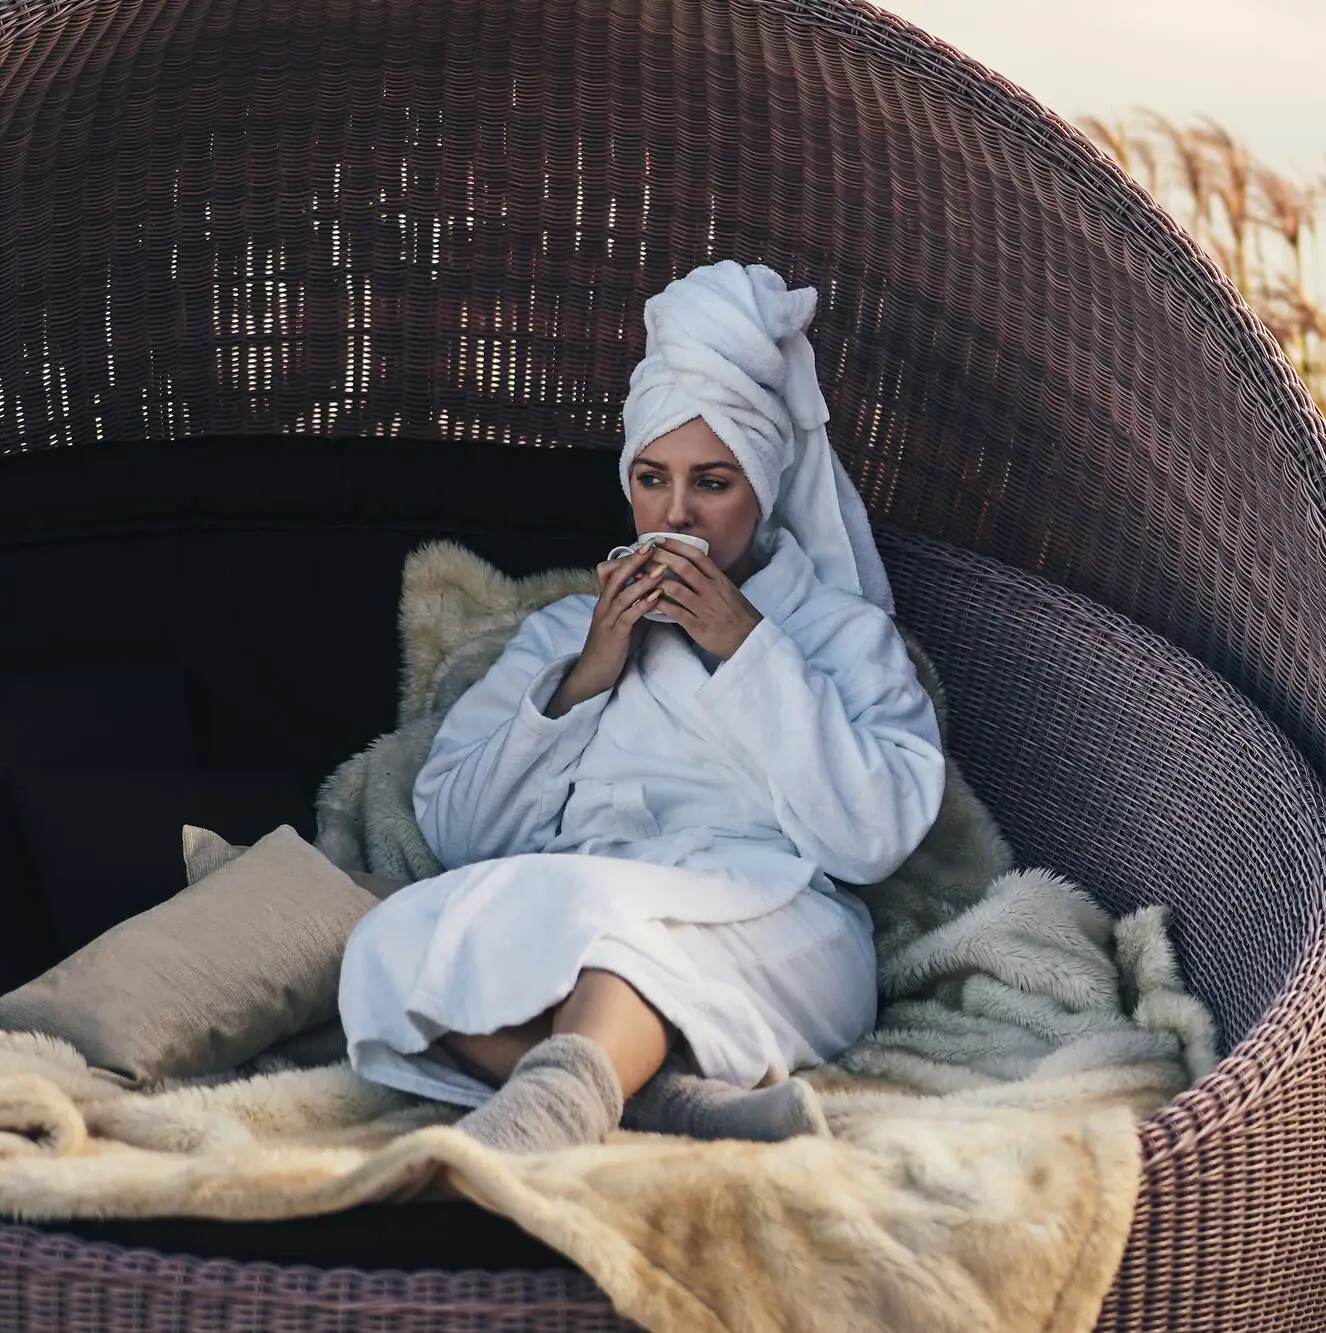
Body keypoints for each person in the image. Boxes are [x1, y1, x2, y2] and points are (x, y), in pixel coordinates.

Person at [336, 260, 947, 1153]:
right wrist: (587, 676)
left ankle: (536, 1127)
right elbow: (460, 831)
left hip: (776, 922)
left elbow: (873, 838)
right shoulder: (567, 636)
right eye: (653, 478)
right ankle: (659, 1100)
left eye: (712, 483)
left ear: (763, 486)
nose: (677, 514)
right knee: (391, 946)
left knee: (627, 952)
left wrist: (750, 649)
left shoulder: (839, 633)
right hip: (583, 893)